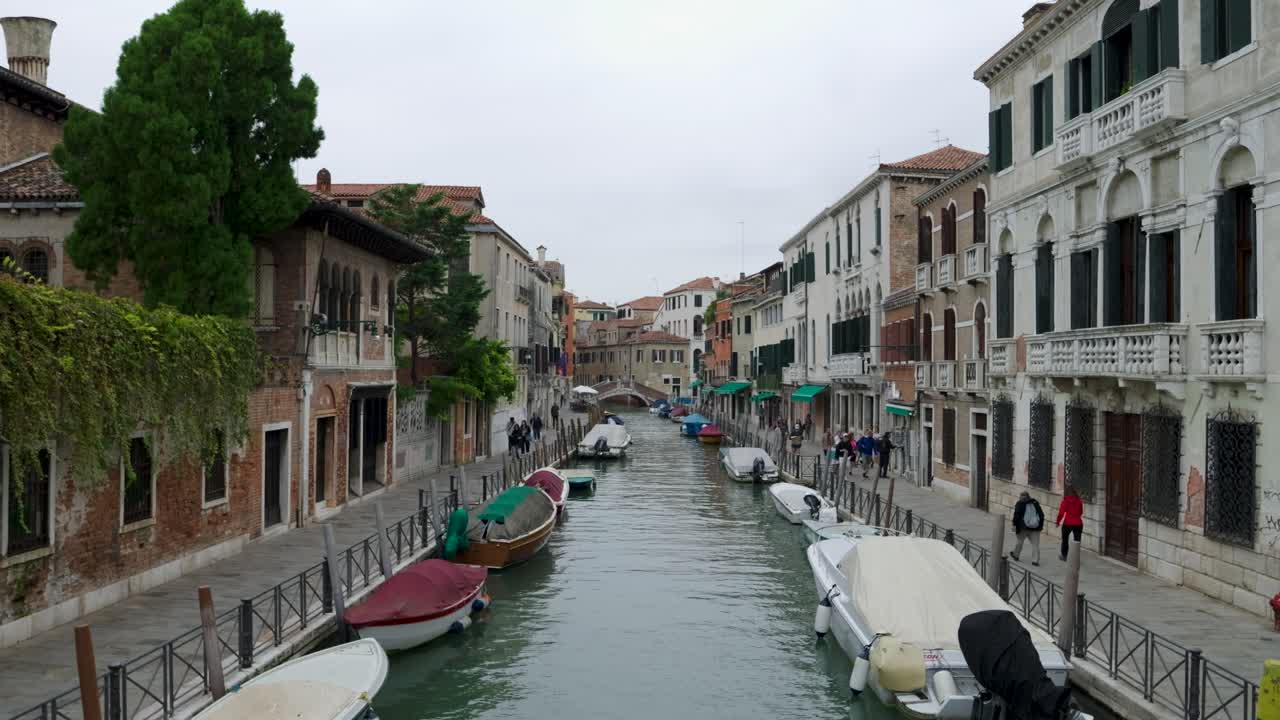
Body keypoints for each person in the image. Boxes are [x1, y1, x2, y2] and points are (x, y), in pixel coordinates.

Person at [1010, 490, 1045, 566]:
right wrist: (1040, 525)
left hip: (1023, 528)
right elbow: (1041, 514)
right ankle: (1035, 561)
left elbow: (1016, 516)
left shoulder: (1019, 504)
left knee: (1019, 542)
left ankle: (1016, 555)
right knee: (1035, 545)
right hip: (1035, 528)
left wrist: (1014, 525)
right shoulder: (1035, 503)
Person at [1056, 485, 1085, 561]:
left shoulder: (1065, 501)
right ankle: (1076, 558)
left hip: (1067, 523)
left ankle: (1064, 556)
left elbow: (1061, 513)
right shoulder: (1079, 501)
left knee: (1065, 540)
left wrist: (1058, 522)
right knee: (1077, 541)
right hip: (1078, 523)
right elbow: (1081, 512)